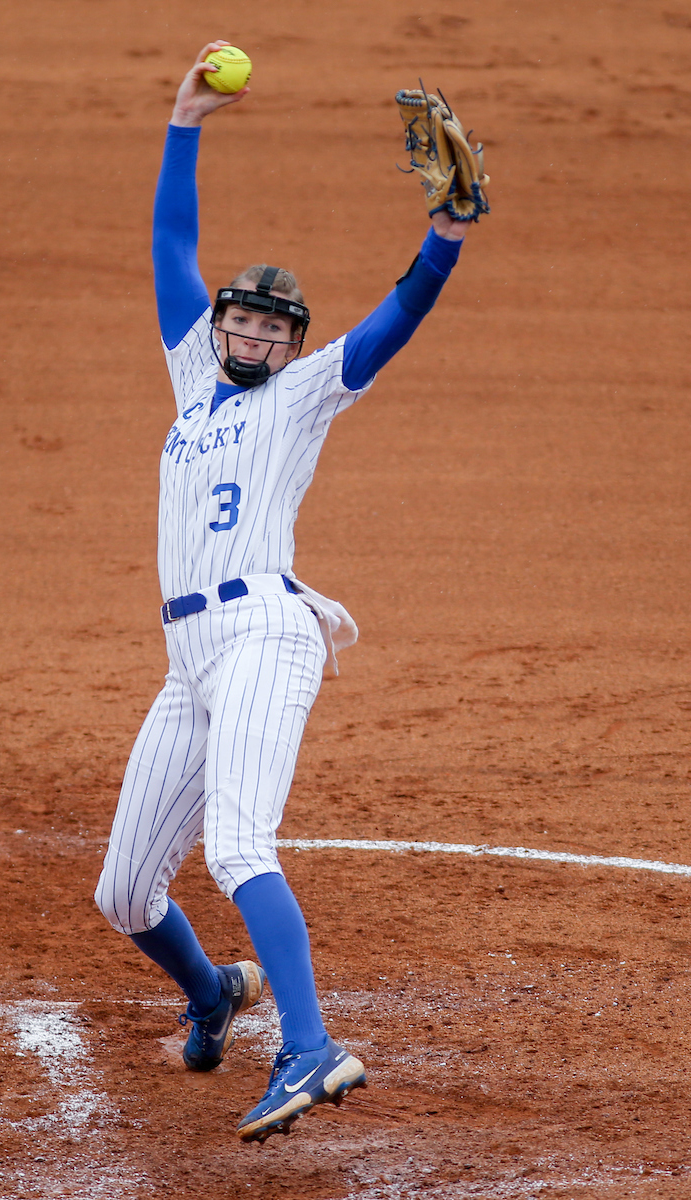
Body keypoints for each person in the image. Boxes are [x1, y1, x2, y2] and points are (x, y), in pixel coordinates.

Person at [95, 40, 471, 1144]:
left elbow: (396, 321)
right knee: (124, 894)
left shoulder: (305, 394)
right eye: (241, 320)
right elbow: (171, 243)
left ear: (291, 343)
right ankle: (216, 993)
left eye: (273, 325)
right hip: (187, 663)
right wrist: (183, 118)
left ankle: (307, 1048)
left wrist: (441, 237)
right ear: (218, 326)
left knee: (238, 845)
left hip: (266, 630)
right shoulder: (187, 371)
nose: (255, 333)